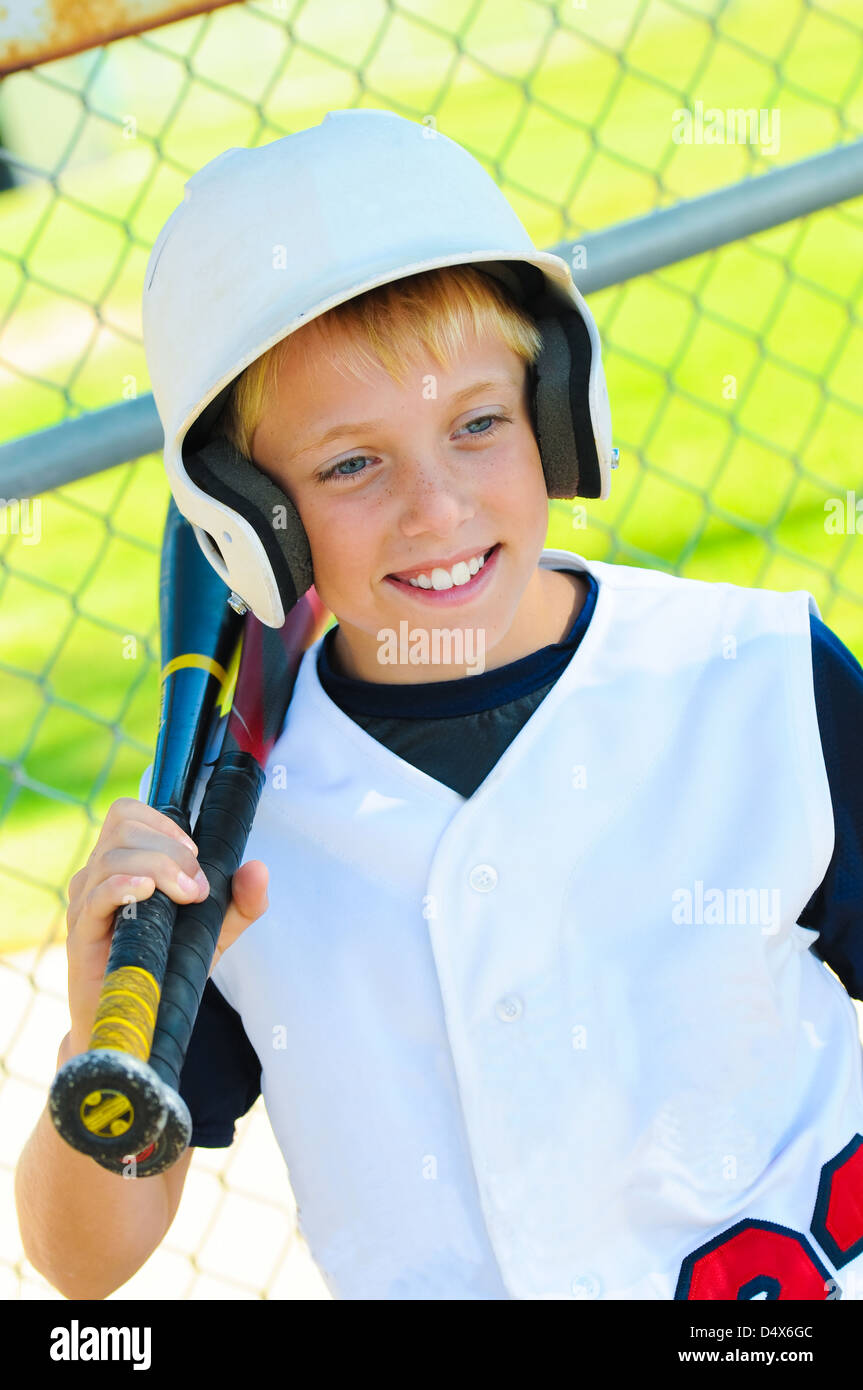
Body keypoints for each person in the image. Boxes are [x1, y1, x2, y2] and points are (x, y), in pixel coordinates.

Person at [15, 109, 863, 1302]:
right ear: (247, 513)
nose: (436, 507)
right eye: (351, 464)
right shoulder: (232, 844)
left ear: (557, 413)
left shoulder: (750, 680)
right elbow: (81, 1259)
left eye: (476, 424)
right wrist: (98, 1038)